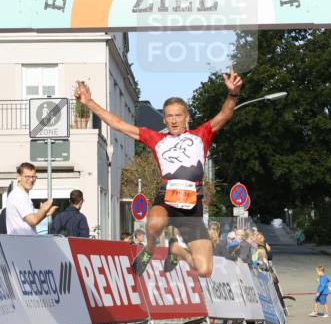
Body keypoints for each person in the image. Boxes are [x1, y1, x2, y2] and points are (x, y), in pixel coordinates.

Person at [75, 70, 243, 278]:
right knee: (154, 224)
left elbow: (225, 114)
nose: (174, 120)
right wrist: (89, 102)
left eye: (178, 115)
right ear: (164, 119)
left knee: (205, 270)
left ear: (187, 117)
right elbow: (118, 124)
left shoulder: (201, 135)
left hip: (192, 208)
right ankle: (150, 248)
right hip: (166, 199)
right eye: (169, 116)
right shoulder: (156, 139)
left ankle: (176, 250)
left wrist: (233, 94)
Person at [5, 162, 57, 235]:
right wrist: (43, 209)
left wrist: (44, 213)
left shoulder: (20, 194)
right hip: (22, 241)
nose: (31, 180)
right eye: (27, 176)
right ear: (18, 177)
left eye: (33, 177)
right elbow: (33, 221)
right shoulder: (19, 195)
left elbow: (31, 221)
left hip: (23, 241)